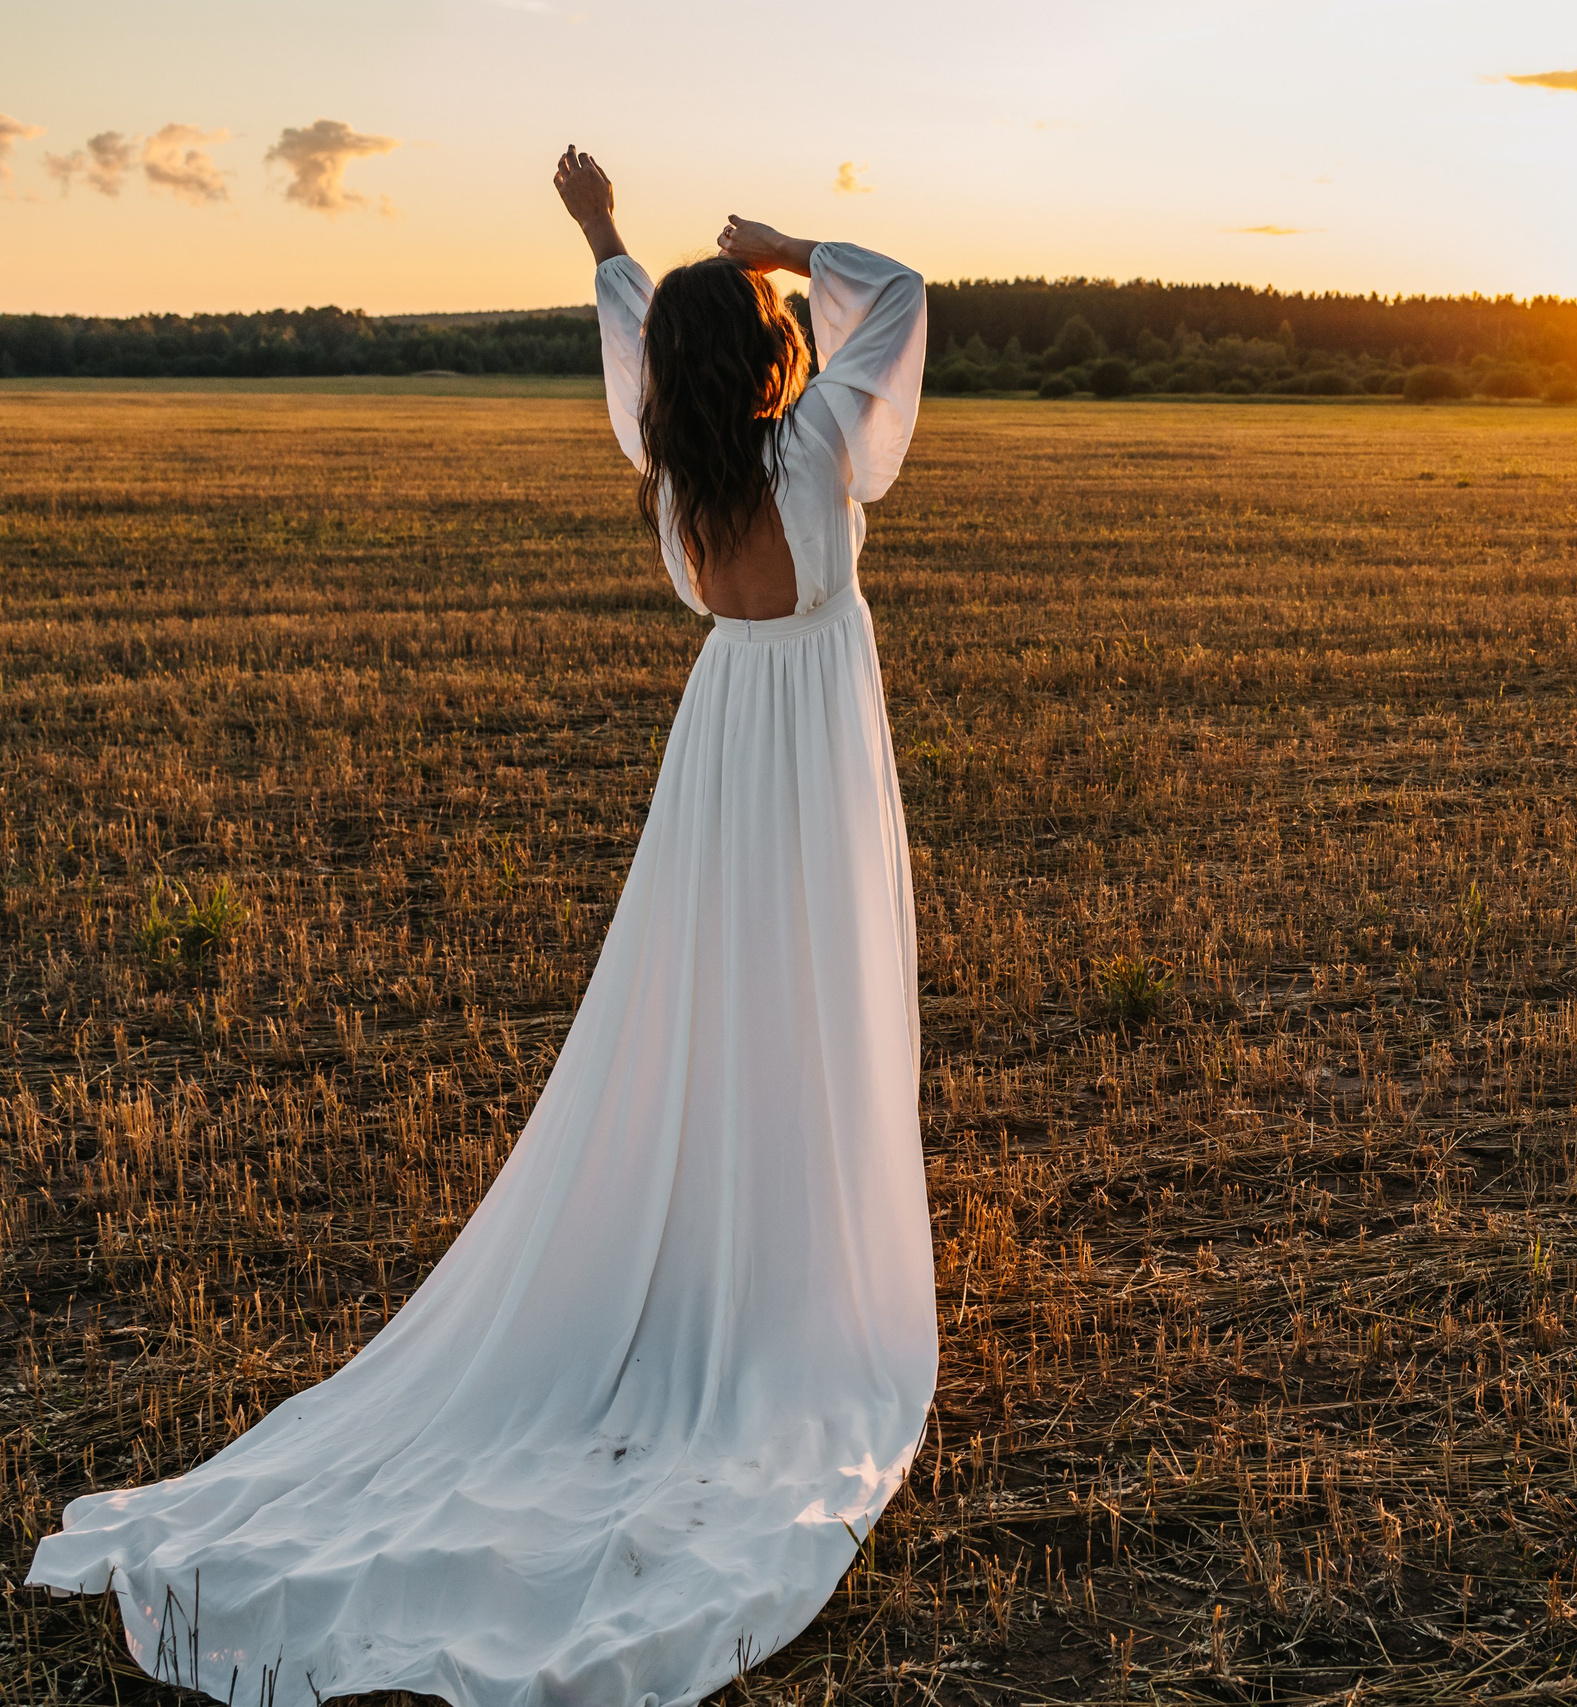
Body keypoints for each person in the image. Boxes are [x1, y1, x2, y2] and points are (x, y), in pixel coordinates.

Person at [27, 148, 939, 1707]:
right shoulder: (818, 445)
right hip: (815, 747)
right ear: (769, 355)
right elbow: (903, 296)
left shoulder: (679, 466)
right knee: (817, 999)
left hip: (727, 742)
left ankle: (722, 1256)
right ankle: (796, 1277)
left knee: (710, 998)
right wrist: (791, 246)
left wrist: (603, 233)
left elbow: (641, 345)